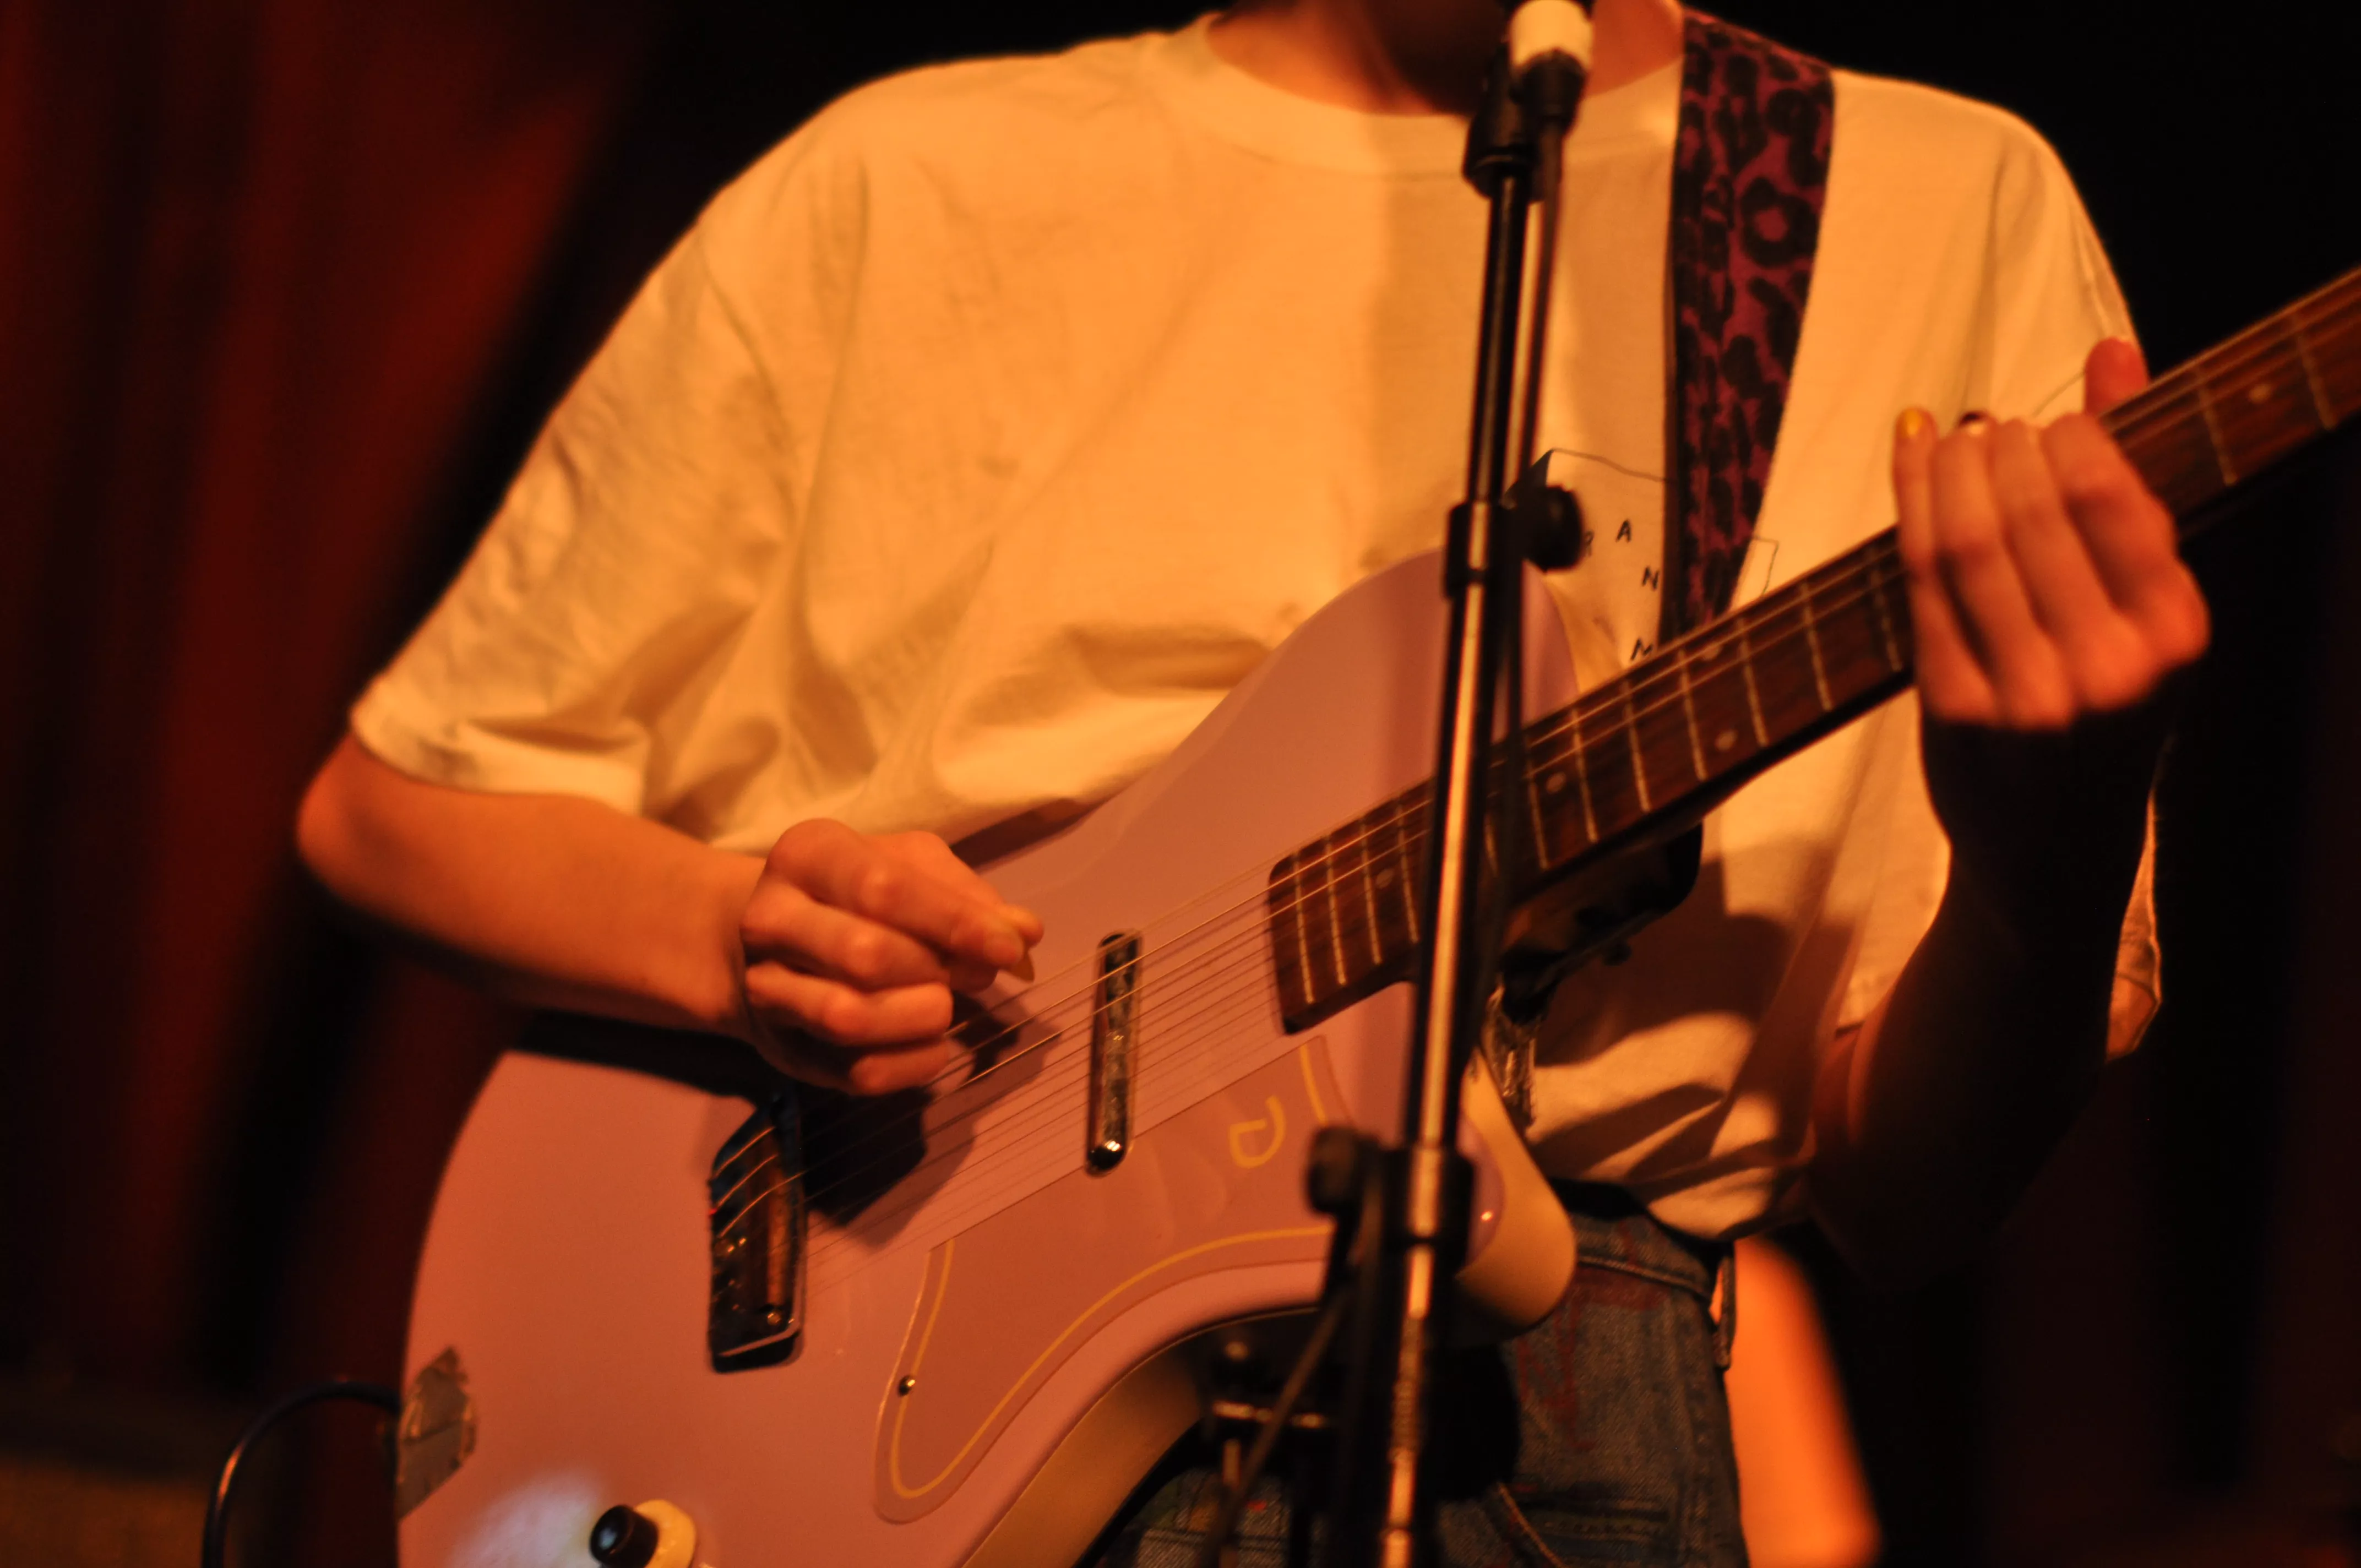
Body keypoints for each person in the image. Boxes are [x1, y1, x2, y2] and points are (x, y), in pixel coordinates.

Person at [296, 0, 2207, 1560]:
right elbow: (391, 808)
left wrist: (2043, 861)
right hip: (857, 1364)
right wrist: (740, 935)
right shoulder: (901, 182)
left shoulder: (1931, 205)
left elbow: (1911, 1200)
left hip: (1545, 1435)